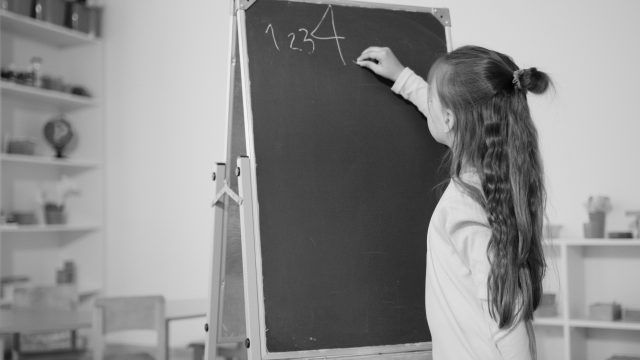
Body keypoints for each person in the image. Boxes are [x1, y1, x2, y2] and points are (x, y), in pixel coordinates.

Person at [356, 46, 551, 360]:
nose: (429, 103)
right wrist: (403, 78)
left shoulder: (466, 208)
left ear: (448, 117)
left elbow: (507, 318)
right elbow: (451, 114)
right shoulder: (495, 186)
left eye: (432, 99)